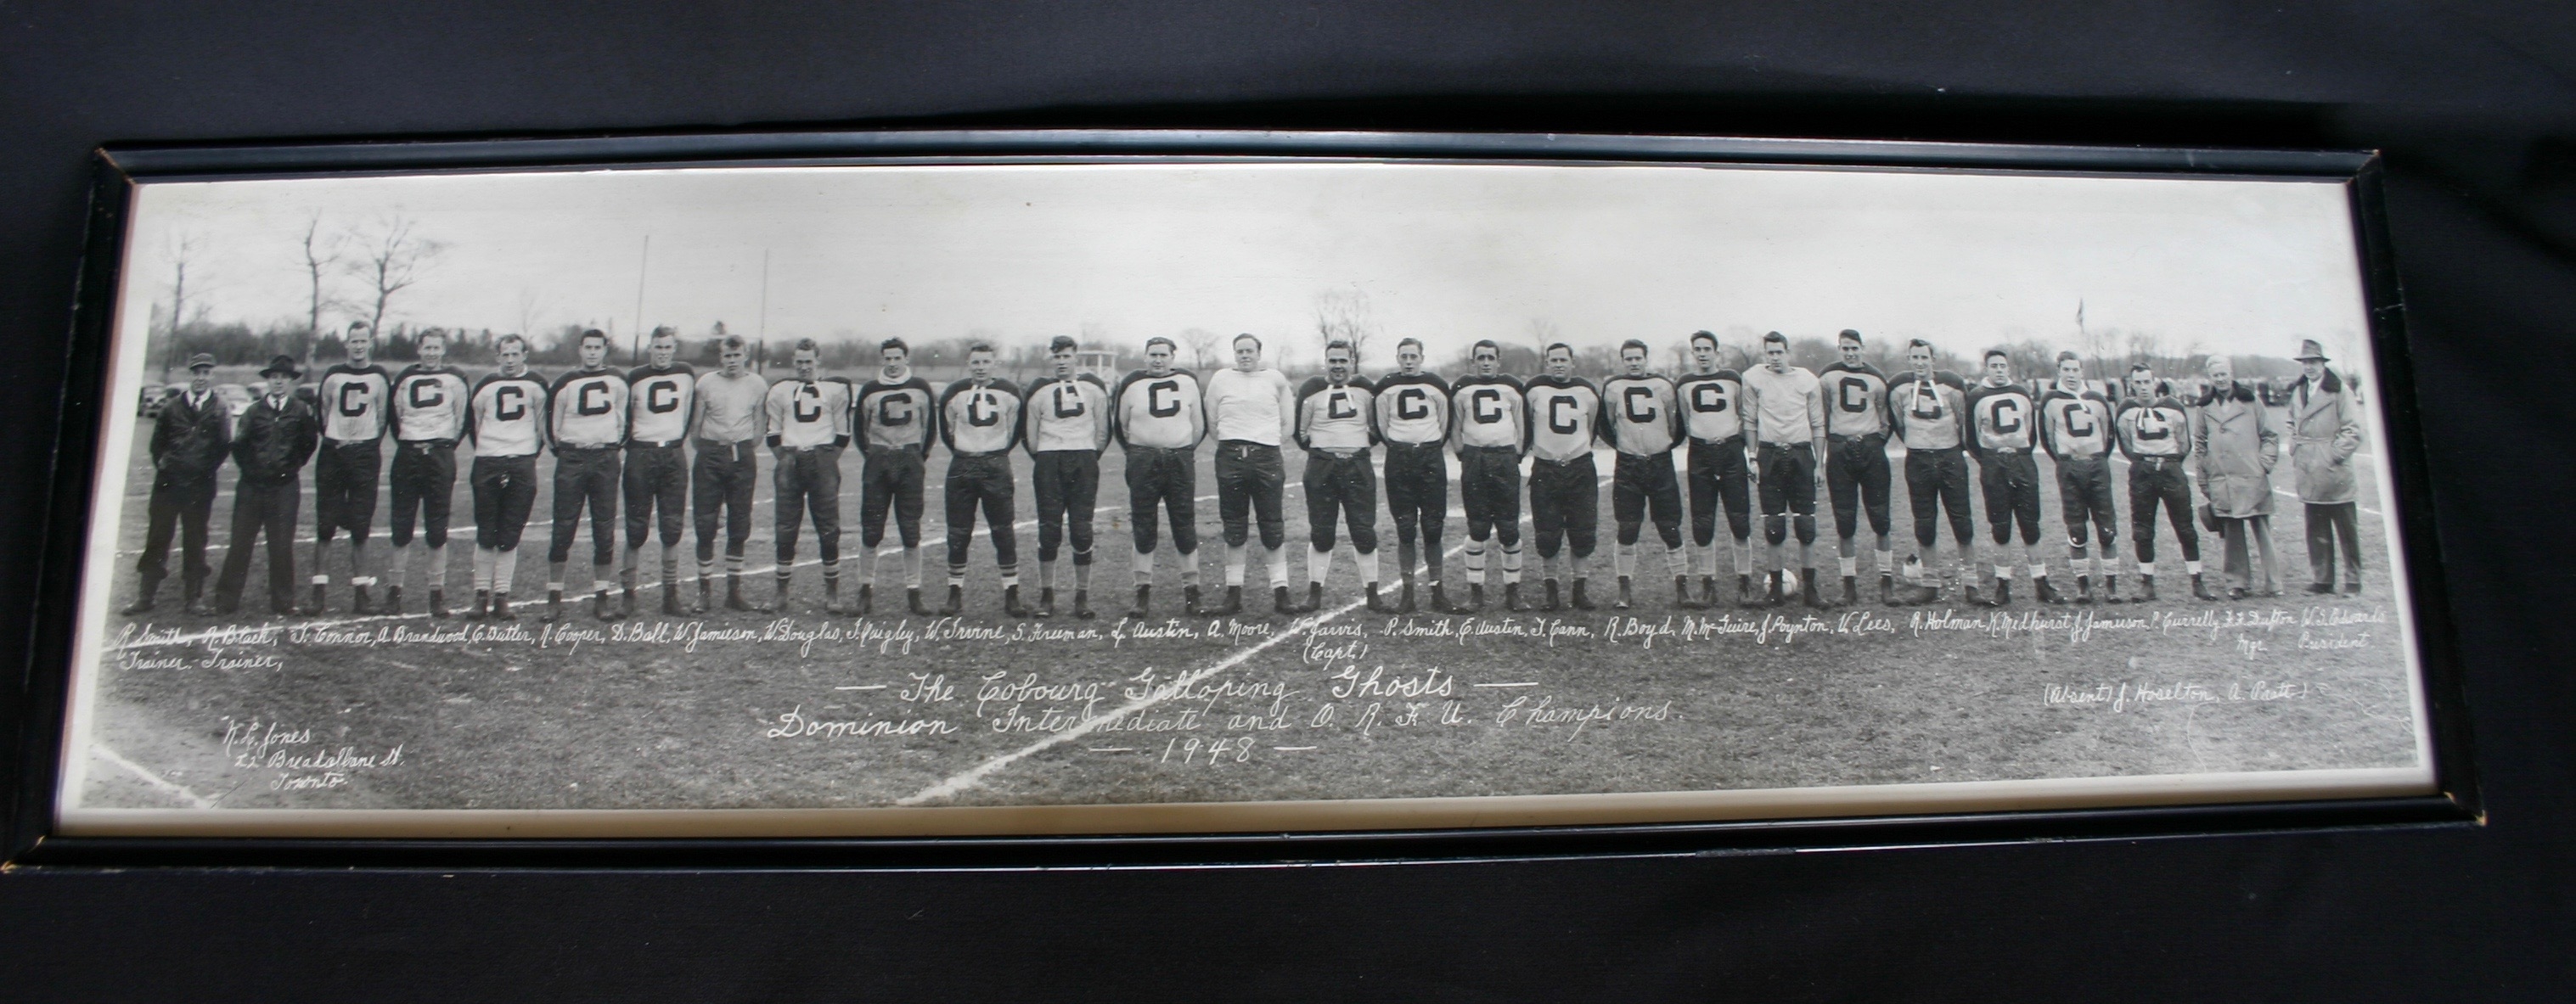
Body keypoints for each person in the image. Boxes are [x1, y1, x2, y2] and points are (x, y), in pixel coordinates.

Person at [122, 352, 229, 616]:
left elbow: (223, 446)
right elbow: (156, 444)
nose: (201, 378)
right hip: (168, 486)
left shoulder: (220, 408)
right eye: (197, 372)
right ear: (190, 374)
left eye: (206, 373)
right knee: (157, 538)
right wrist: (164, 464)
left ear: (211, 375)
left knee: (196, 540)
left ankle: (194, 599)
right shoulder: (171, 407)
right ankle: (145, 597)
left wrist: (203, 471)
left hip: (199, 488)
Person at [212, 356, 319, 615]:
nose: (278, 382)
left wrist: (289, 468)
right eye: (274, 377)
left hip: (284, 488)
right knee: (240, 543)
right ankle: (226, 601)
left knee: (281, 545)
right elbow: (239, 446)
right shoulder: (253, 411)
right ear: (267, 380)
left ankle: (283, 602)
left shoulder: (300, 411)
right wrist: (253, 472)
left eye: (284, 377)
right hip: (251, 488)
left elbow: (308, 443)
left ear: (291, 381)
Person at [1202, 333, 1299, 615]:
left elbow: (1288, 424)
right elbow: (1212, 422)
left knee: (1272, 526)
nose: (1245, 355)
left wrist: (1264, 443)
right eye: (1240, 351)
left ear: (1259, 353)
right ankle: (1233, 596)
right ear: (1234, 354)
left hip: (1267, 457)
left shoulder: (1276, 379)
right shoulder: (1221, 379)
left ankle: (1281, 594)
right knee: (1234, 528)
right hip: (1231, 456)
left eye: (1249, 351)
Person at [1111, 335, 1206, 618]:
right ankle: (1142, 593)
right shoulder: (1130, 384)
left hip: (1179, 459)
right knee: (1143, 524)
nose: (1158, 360)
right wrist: (1141, 451)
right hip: (1143, 459)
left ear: (1173, 358)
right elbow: (1120, 426)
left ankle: (1192, 593)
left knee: (1184, 524)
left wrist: (1180, 449)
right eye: (1152, 354)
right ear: (1145, 357)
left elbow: (1198, 425)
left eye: (1163, 355)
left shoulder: (1188, 382)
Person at [543, 328, 632, 622]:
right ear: (580, 350)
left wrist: (607, 446)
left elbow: (624, 421)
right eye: (588, 347)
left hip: (605, 457)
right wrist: (570, 451)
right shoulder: (564, 383)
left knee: (604, 530)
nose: (592, 352)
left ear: (605, 349)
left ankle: (601, 599)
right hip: (573, 457)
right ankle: (553, 599)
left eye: (598, 347)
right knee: (563, 528)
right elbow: (551, 427)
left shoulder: (618, 380)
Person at [1600, 338, 1694, 609]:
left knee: (1670, 527)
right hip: (1628, 465)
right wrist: (1624, 448)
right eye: (1628, 358)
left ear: (1646, 358)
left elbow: (1677, 425)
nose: (1633, 363)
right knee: (1627, 527)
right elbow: (1606, 425)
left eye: (1638, 358)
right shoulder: (1612, 387)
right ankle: (1624, 590)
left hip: (1660, 463)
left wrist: (1662, 447)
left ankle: (1682, 589)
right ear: (1622, 361)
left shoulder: (1664, 386)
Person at [1022, 334, 1111, 619]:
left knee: (1081, 528)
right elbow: (1030, 434)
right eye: (1057, 357)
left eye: (1066, 356)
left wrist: (1087, 454)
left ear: (1076, 357)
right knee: (1049, 529)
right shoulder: (1039, 390)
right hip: (1049, 459)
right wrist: (1048, 454)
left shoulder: (1093, 388)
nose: (1062, 362)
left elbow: (1102, 429)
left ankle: (1081, 597)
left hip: (1083, 458)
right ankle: (1046, 595)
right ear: (1052, 359)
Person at [308, 320, 393, 614]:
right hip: (334, 452)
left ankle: (362, 595)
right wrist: (338, 440)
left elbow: (382, 418)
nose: (358, 346)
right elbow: (322, 413)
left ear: (371, 343)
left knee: (360, 526)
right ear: (347, 344)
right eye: (353, 340)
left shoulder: (380, 376)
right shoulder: (333, 375)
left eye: (363, 340)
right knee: (325, 525)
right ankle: (318, 594)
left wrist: (364, 444)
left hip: (365, 455)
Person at [764, 338, 855, 613]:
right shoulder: (780, 390)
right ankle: (781, 594)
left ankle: (832, 595)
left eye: (809, 362)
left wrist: (824, 459)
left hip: (822, 458)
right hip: (791, 459)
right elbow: (773, 433)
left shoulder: (835, 390)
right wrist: (789, 458)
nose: (804, 367)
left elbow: (842, 433)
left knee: (829, 529)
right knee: (785, 528)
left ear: (819, 362)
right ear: (794, 362)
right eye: (800, 362)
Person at [384, 329, 470, 617]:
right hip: (408, 455)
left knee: (437, 528)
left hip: (440, 455)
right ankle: (394, 592)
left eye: (437, 347)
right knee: (401, 526)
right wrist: (413, 442)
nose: (431, 353)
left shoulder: (455, 380)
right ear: (418, 349)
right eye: (427, 347)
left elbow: (461, 420)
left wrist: (441, 446)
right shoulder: (405, 378)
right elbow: (395, 418)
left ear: (443, 350)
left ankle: (437, 594)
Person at [1293, 339, 1383, 612]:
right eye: (1332, 360)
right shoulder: (1311, 389)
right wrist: (1326, 449)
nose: (1338, 366)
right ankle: (1314, 593)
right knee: (1321, 532)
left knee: (1364, 532)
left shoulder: (1366, 388)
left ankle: (1373, 593)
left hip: (1357, 465)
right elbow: (1301, 432)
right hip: (1322, 466)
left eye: (1343, 360)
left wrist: (1352, 445)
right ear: (1325, 361)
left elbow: (1376, 427)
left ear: (1351, 362)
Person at [936, 343, 1026, 616]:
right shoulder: (954, 392)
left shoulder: (1010, 392)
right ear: (968, 364)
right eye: (975, 362)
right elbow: (947, 430)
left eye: (985, 362)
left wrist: (993, 454)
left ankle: (1012, 594)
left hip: (995, 463)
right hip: (963, 463)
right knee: (958, 533)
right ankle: (954, 594)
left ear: (994, 364)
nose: (980, 367)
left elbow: (1015, 430)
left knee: (1003, 531)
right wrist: (968, 452)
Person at [463, 336, 548, 620]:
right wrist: (492, 451)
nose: (510, 360)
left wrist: (522, 454)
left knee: (510, 533)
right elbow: (475, 425)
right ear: (497, 356)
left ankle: (502, 596)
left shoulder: (537, 384)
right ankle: (480, 596)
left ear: (525, 355)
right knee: (486, 532)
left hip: (521, 462)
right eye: (505, 354)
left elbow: (541, 428)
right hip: (488, 460)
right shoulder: (485, 386)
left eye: (515, 354)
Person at [1741, 331, 1830, 608]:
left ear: (1787, 352)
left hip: (1801, 453)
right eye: (1770, 353)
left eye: (1779, 352)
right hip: (1769, 453)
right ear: (1765, 354)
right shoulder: (1753, 378)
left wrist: (1819, 463)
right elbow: (1750, 421)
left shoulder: (1807, 380)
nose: (1775, 358)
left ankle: (1811, 590)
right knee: (1774, 524)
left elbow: (1818, 425)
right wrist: (1753, 457)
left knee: (1805, 524)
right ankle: (1776, 590)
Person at [1887, 339, 1977, 606]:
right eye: (1915, 358)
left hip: (1950, 457)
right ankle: (1930, 584)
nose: (1920, 363)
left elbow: (1962, 422)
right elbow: (1900, 426)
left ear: (1933, 359)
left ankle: (1971, 584)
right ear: (1909, 360)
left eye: (1924, 358)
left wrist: (1946, 446)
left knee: (1962, 522)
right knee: (1924, 523)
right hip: (1918, 459)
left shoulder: (1951, 388)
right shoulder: (1900, 390)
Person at [852, 338, 938, 616]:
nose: (891, 364)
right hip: (879, 458)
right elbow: (859, 431)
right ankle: (865, 591)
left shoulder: (921, 388)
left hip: (909, 459)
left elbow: (930, 429)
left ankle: (914, 593)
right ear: (882, 360)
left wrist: (916, 457)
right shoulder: (870, 390)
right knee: (872, 529)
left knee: (910, 529)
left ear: (906, 359)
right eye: (887, 358)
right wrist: (876, 456)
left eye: (896, 358)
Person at [1966, 349, 2057, 606]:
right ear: (1986, 369)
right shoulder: (1976, 397)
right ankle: (2002, 585)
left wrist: (2019, 453)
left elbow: (2031, 431)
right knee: (2001, 527)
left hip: (2022, 461)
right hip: (1994, 464)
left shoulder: (2020, 392)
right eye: (1993, 365)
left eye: (2002, 365)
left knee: (2031, 524)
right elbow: (1971, 439)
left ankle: (2041, 583)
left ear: (2009, 368)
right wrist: (1991, 460)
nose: (1999, 370)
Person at [2112, 363, 2210, 601]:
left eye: (2147, 382)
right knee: (2142, 529)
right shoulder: (2125, 409)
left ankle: (2197, 581)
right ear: (2132, 384)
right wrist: (2143, 461)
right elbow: (2125, 443)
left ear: (2154, 382)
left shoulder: (2173, 407)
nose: (2143, 387)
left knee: (2185, 527)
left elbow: (2184, 443)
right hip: (2142, 472)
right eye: (2138, 382)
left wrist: (2168, 461)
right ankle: (2147, 583)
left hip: (2170, 469)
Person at [1373, 337, 1456, 613]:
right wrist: (1402, 446)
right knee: (1405, 528)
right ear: (1398, 358)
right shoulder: (1385, 386)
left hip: (1430, 457)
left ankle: (1437, 593)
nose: (1409, 361)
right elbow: (1382, 426)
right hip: (1399, 458)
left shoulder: (1436, 385)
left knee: (1433, 527)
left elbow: (1444, 425)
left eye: (1413, 356)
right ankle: (1407, 594)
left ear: (1422, 357)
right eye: (1404, 356)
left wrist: (1426, 446)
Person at [619, 327, 696, 616]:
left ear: (674, 348)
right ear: (649, 348)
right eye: (658, 347)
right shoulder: (634, 377)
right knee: (636, 526)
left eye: (667, 347)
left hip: (673, 454)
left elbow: (688, 414)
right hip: (641, 453)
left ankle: (670, 596)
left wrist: (673, 443)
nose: (662, 353)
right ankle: (628, 595)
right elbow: (624, 416)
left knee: (672, 527)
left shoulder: (686, 374)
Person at [691, 334, 769, 612]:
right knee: (705, 523)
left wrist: (742, 446)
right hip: (711, 453)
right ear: (720, 357)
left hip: (742, 455)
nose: (732, 361)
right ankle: (704, 592)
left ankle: (733, 592)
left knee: (739, 523)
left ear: (745, 355)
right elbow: (696, 427)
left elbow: (760, 427)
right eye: (727, 356)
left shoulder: (757, 384)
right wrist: (713, 449)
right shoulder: (706, 383)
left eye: (737, 356)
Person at [1448, 339, 1528, 611]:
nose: (1485, 363)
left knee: (1508, 528)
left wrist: (1514, 454)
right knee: (1478, 527)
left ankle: (1513, 592)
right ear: (1473, 362)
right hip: (1475, 460)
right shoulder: (1462, 390)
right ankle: (1476, 594)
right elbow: (1455, 427)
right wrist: (1466, 456)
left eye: (1490, 358)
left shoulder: (1512, 389)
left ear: (1498, 361)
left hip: (1504, 459)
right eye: (1480, 358)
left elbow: (1521, 424)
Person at [1674, 332, 1753, 607]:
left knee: (1740, 520)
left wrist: (1735, 443)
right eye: (1697, 349)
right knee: (1702, 521)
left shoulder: (1733, 379)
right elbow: (1686, 421)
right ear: (1693, 353)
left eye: (1707, 349)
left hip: (1731, 452)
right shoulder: (1684, 383)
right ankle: (1709, 584)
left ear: (1717, 352)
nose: (1703, 353)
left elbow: (1745, 414)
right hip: (1701, 453)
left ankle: (1745, 582)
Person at [2195, 355, 2283, 599]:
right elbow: (2200, 444)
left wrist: (2263, 464)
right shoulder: (2204, 407)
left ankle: (2273, 582)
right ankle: (2237, 583)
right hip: (2222, 479)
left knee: (2262, 530)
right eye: (2215, 375)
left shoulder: (2250, 401)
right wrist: (2204, 477)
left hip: (2252, 476)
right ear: (2210, 378)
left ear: (2231, 374)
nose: (2220, 379)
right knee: (2232, 531)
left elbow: (2270, 436)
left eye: (2224, 373)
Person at [1523, 342, 1603, 610]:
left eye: (1563, 360)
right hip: (1546, 469)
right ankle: (1551, 591)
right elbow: (1527, 426)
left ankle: (1580, 590)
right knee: (1547, 532)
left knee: (1582, 530)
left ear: (1573, 362)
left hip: (1580, 468)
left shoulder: (1587, 392)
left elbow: (1591, 429)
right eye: (1553, 360)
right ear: (1547, 363)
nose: (1558, 365)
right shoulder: (1534, 390)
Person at [1819, 329, 1896, 606]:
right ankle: (1848, 585)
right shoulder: (1827, 376)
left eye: (1854, 348)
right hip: (1840, 451)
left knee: (1881, 518)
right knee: (1845, 520)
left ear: (1863, 348)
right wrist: (1838, 442)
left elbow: (1885, 419)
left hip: (1871, 450)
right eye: (1845, 348)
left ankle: (1886, 582)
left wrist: (1873, 443)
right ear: (1839, 349)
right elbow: (1823, 416)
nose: (1850, 353)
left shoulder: (1876, 378)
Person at [2038, 351, 2120, 603]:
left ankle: (2111, 586)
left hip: (2096, 465)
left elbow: (2108, 435)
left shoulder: (2097, 399)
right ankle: (2083, 586)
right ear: (2059, 371)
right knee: (2076, 528)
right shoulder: (2050, 400)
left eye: (2075, 370)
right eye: (2066, 370)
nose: (2071, 375)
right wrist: (2067, 460)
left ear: (2082, 371)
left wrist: (2094, 457)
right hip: (2069, 467)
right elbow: (2048, 438)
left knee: (2106, 528)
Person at [2286, 339, 2366, 595]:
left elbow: (2353, 430)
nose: (2308, 367)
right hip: (2309, 470)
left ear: (2323, 363)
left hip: (2334, 471)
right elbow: (2291, 422)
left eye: (2313, 362)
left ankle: (2353, 581)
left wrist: (2332, 456)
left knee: (2347, 529)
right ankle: (2322, 579)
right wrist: (2295, 446)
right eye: (2305, 362)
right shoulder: (2298, 391)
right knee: (2316, 528)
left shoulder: (2339, 390)